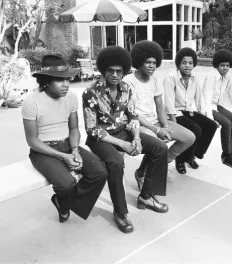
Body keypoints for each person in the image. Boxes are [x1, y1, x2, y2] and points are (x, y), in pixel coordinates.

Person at [82, 46, 169, 234]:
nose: (115, 75)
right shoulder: (91, 93)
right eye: (110, 71)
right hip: (101, 138)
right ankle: (120, 211)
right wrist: (123, 144)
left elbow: (133, 116)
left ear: (124, 71)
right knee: (116, 162)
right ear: (103, 70)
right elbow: (91, 128)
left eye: (119, 71)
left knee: (160, 147)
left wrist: (136, 138)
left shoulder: (126, 89)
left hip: (124, 132)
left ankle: (146, 195)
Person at [22, 54, 107, 223]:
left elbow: (74, 128)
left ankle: (63, 201)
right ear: (46, 80)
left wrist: (75, 150)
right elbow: (32, 141)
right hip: (43, 151)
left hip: (68, 144)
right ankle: (64, 198)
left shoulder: (71, 97)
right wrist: (62, 156)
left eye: (68, 79)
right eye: (60, 80)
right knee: (66, 183)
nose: (66, 85)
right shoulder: (31, 101)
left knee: (100, 172)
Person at [123, 40, 195, 181]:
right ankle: (142, 174)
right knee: (158, 144)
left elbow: (160, 106)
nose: (151, 66)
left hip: (154, 120)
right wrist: (157, 130)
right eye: (147, 62)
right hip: (137, 124)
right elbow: (132, 113)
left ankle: (159, 165)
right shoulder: (128, 81)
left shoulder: (154, 79)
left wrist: (166, 127)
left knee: (189, 138)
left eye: (154, 63)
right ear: (138, 62)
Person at [163, 47, 218, 174]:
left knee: (210, 125)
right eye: (184, 62)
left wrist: (204, 115)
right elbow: (169, 103)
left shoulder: (194, 77)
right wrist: (174, 123)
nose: (187, 66)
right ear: (178, 64)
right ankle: (181, 160)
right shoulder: (170, 78)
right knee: (195, 129)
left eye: (190, 63)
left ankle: (192, 154)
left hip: (188, 110)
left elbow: (199, 98)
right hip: (175, 113)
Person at [202, 49, 232, 167]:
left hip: (217, 105)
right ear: (217, 65)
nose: (225, 68)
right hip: (206, 105)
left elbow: (230, 94)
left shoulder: (228, 76)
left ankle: (230, 151)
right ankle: (226, 155)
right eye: (222, 65)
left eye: (227, 65)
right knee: (227, 124)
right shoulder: (211, 76)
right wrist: (211, 118)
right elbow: (206, 96)